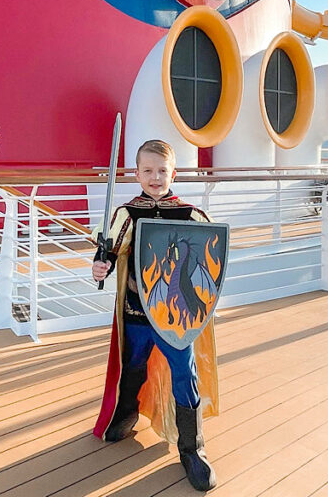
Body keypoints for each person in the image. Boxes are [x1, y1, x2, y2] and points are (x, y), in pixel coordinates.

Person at [91, 138, 218, 492]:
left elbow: (211, 256)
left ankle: (192, 448)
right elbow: (110, 254)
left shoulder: (191, 215)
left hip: (175, 317)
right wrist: (100, 266)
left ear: (173, 173)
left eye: (162, 171)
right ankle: (128, 412)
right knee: (134, 365)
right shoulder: (127, 215)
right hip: (136, 312)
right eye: (148, 171)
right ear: (137, 174)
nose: (155, 177)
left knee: (184, 376)